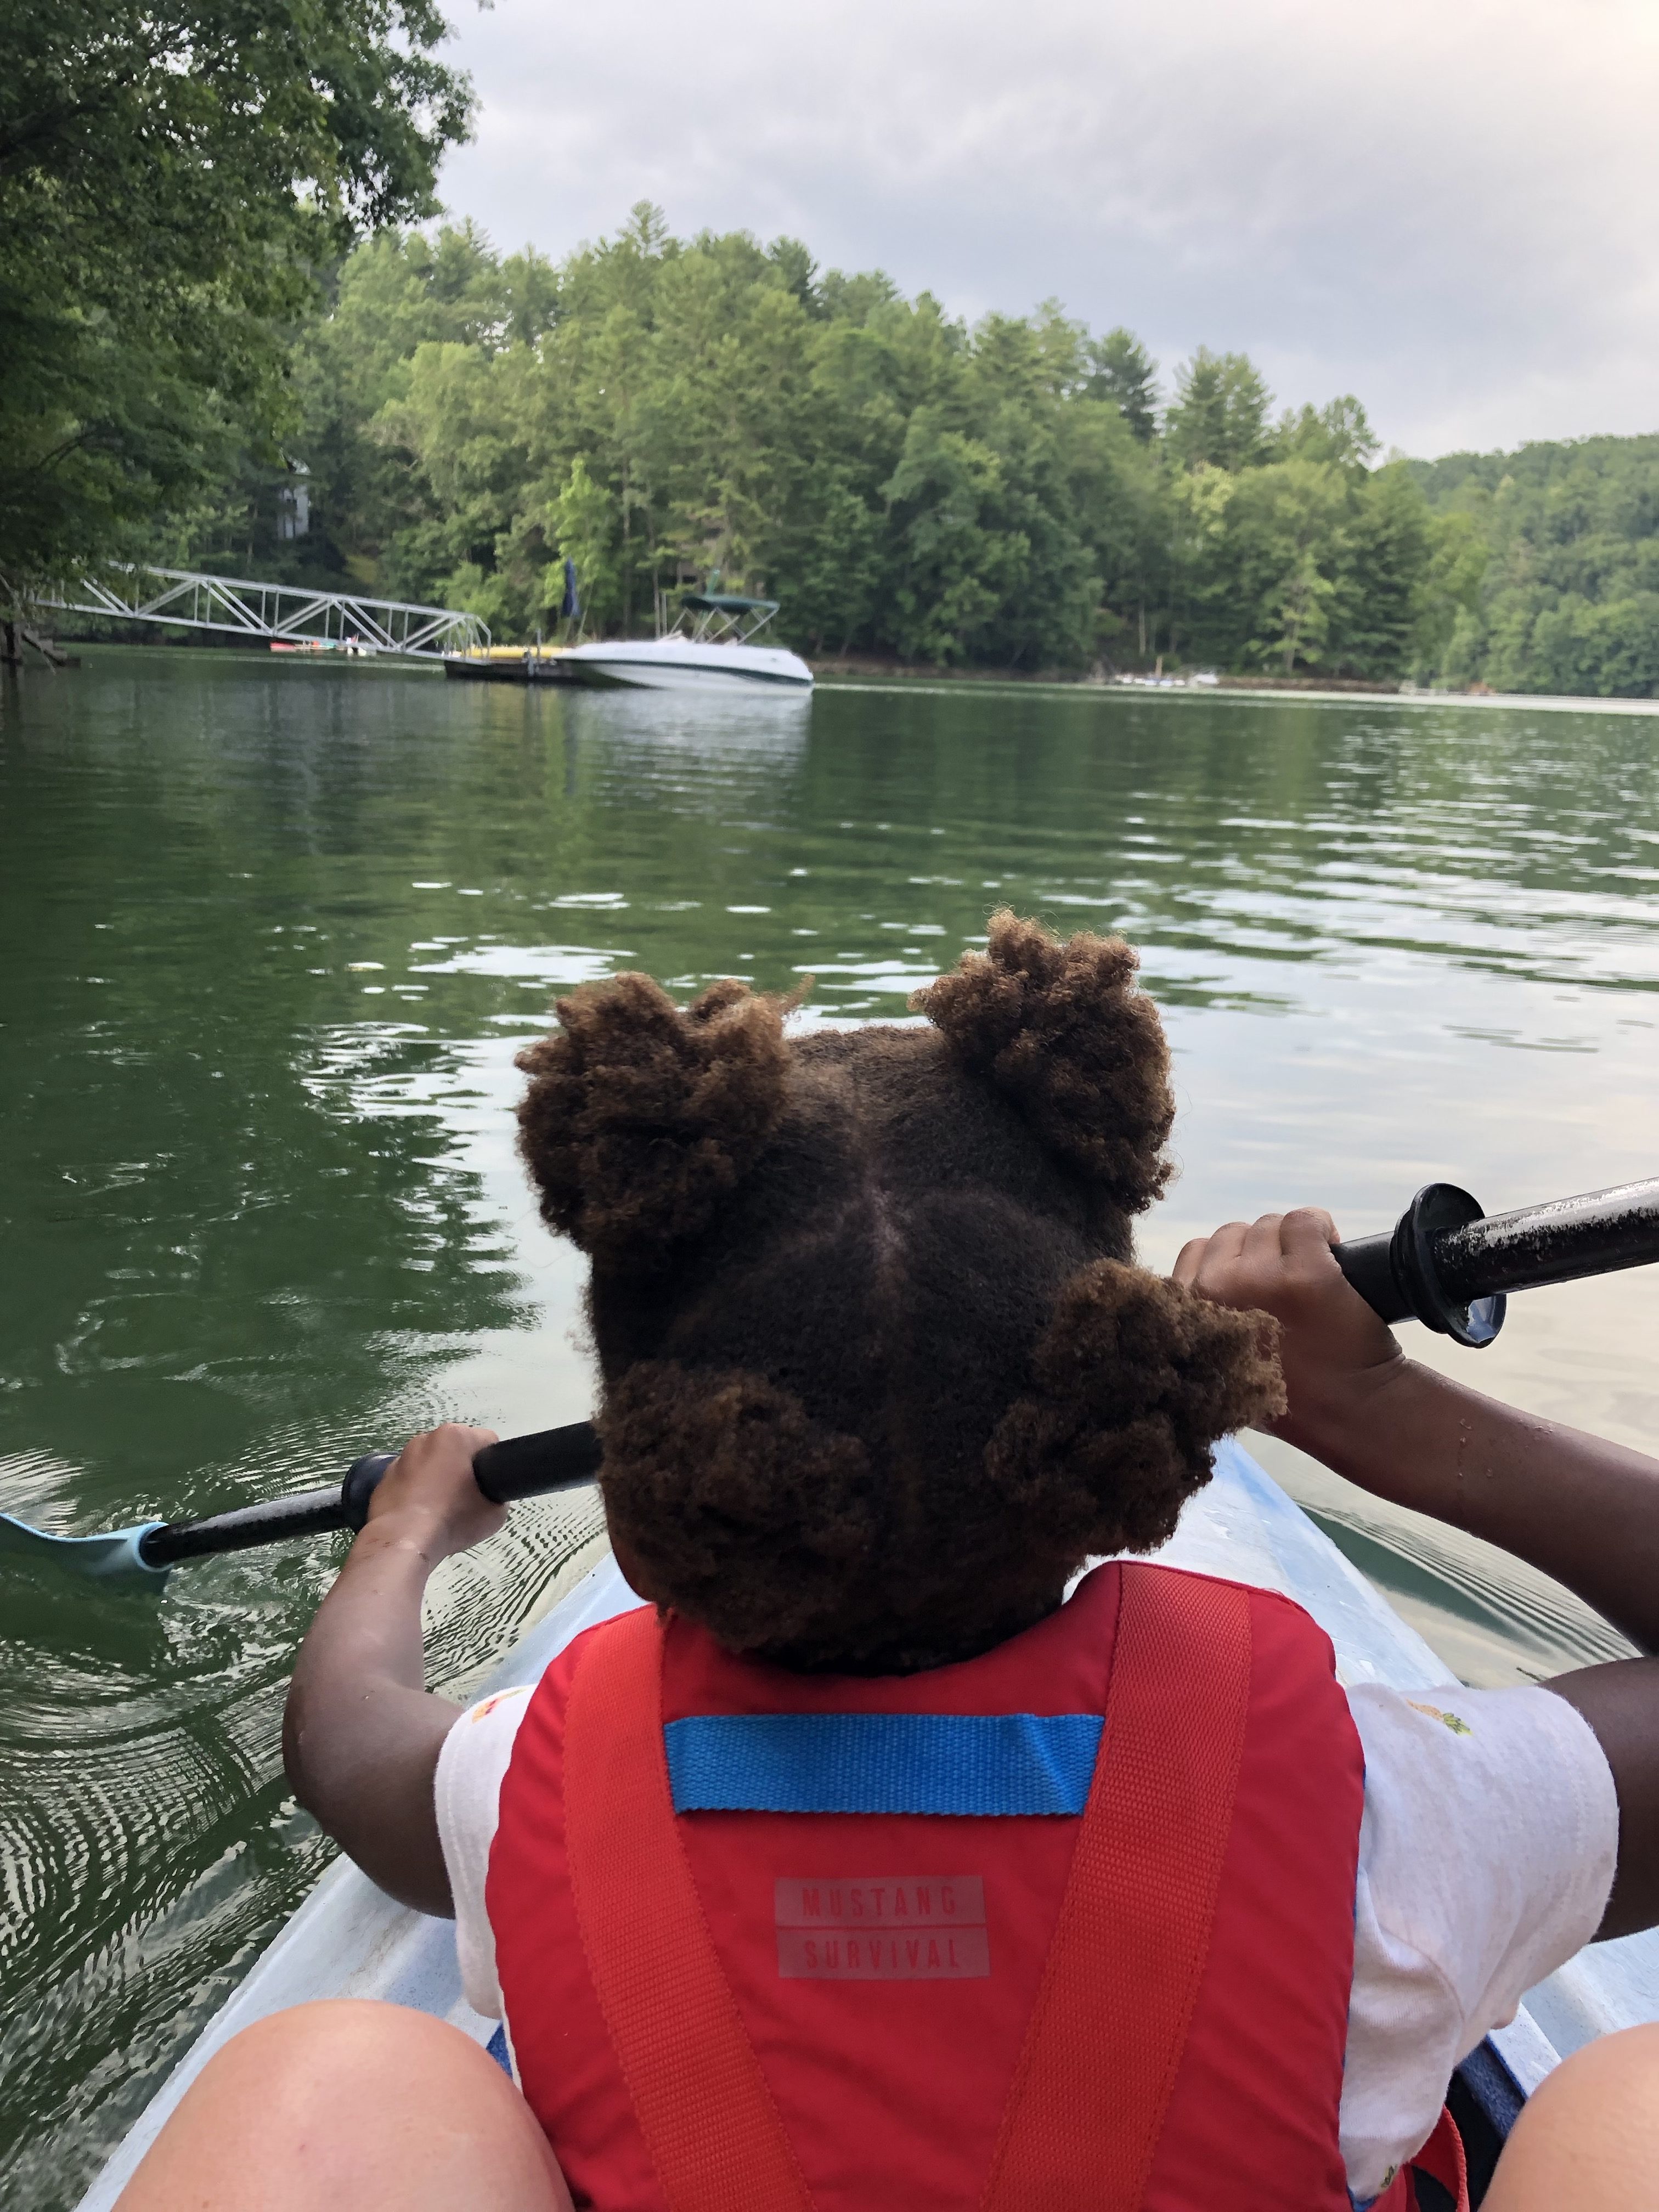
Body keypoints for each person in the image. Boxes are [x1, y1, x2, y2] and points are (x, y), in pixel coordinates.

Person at [116, 914, 1659, 2212]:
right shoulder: (1390, 1816)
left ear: (651, 1478)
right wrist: (1385, 1414)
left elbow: (346, 1738)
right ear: (1119, 1417)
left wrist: (404, 1531)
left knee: (335, 2076)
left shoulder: (529, 1786)